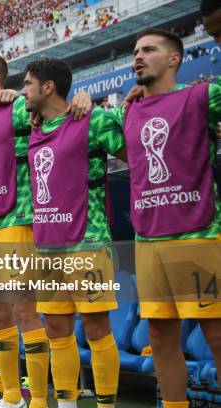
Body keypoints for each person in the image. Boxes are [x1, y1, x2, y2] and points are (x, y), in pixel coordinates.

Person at [0, 53, 91, 408]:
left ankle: (40, 400)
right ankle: (11, 397)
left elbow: (56, 113)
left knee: (24, 312)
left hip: (15, 222)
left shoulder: (14, 107)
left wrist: (82, 98)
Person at [106, 28, 221, 408]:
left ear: (175, 59)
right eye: (135, 50)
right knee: (160, 337)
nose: (138, 56)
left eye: (149, 50)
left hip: (198, 234)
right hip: (148, 239)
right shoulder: (127, 112)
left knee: (217, 336)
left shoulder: (201, 95)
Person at [23, 58, 121, 408]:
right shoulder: (33, 129)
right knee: (56, 330)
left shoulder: (92, 121)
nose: (24, 91)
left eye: (28, 83)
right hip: (48, 245)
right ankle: (65, 404)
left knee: (96, 329)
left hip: (89, 241)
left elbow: (133, 153)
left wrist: (87, 98)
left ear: (48, 87)